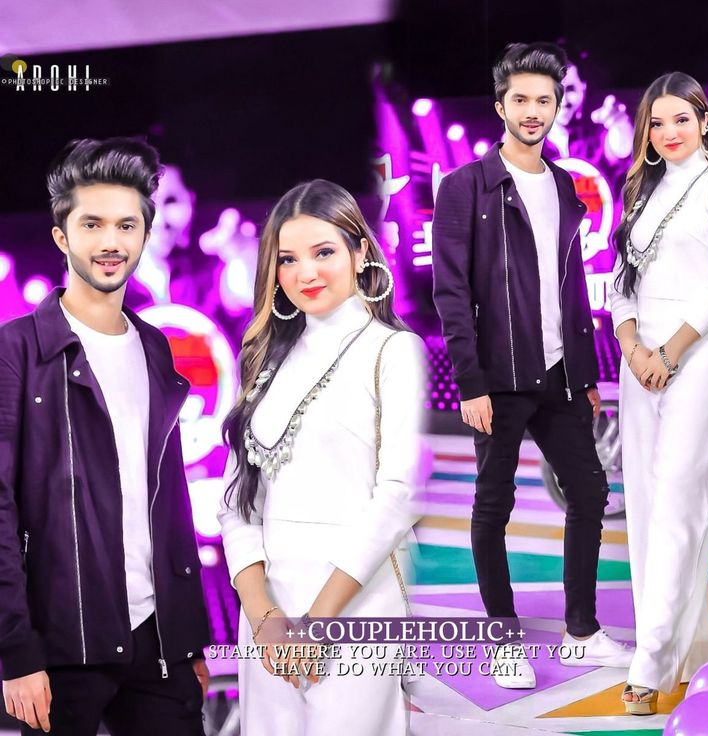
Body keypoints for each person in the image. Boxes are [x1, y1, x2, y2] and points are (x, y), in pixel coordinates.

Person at [431, 42, 633, 689]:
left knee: (593, 490)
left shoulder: (568, 185)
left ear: (555, 108)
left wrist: (586, 373)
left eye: (543, 100)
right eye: (520, 99)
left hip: (557, 374)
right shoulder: (466, 187)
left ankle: (581, 630)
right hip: (496, 377)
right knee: (494, 507)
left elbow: (573, 287)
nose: (533, 111)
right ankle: (502, 639)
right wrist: (469, 381)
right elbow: (450, 291)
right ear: (500, 106)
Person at [0, 138, 211, 735]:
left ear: (145, 235)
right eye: (91, 224)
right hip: (59, 649)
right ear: (62, 235)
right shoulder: (16, 350)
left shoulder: (154, 346)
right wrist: (15, 652)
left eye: (127, 224)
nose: (111, 242)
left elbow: (169, 500)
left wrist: (189, 637)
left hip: (158, 641)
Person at [217, 179, 425, 735]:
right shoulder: (264, 361)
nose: (305, 273)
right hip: (268, 616)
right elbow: (235, 501)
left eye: (324, 252)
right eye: (288, 259)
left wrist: (316, 625)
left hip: (353, 606)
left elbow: (398, 496)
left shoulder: (394, 351)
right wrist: (264, 617)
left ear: (360, 253)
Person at [610, 72, 708, 715]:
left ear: (703, 122)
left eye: (680, 119)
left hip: (697, 352)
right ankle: (683, 646)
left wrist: (672, 351)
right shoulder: (639, 196)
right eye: (656, 123)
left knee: (683, 504)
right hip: (641, 365)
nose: (668, 132)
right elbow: (619, 285)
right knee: (649, 504)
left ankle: (650, 662)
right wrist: (634, 350)